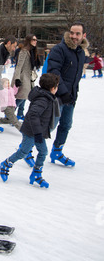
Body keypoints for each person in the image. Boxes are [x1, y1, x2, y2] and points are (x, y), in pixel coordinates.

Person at [0, 73, 60, 189]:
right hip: (31, 131)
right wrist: (37, 133)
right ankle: (6, 163)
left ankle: (36, 174)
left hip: (39, 131)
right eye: (57, 86)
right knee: (23, 152)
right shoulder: (43, 100)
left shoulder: (48, 97)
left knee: (43, 152)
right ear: (53, 88)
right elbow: (33, 115)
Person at [47, 22, 89, 167]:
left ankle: (57, 151)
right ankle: (27, 149)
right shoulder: (60, 49)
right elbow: (54, 71)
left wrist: (72, 94)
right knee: (49, 125)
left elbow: (76, 77)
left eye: (77, 34)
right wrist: (63, 92)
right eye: (72, 33)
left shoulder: (80, 52)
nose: (73, 36)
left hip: (70, 97)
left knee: (66, 125)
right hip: (57, 96)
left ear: (83, 35)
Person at [11, 34, 41, 121]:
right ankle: (10, 114)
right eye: (33, 40)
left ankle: (20, 113)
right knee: (21, 97)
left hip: (29, 78)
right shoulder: (24, 51)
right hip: (23, 77)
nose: (35, 41)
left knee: (26, 96)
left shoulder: (32, 51)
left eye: (36, 40)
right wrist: (17, 78)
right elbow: (19, 66)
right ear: (29, 41)